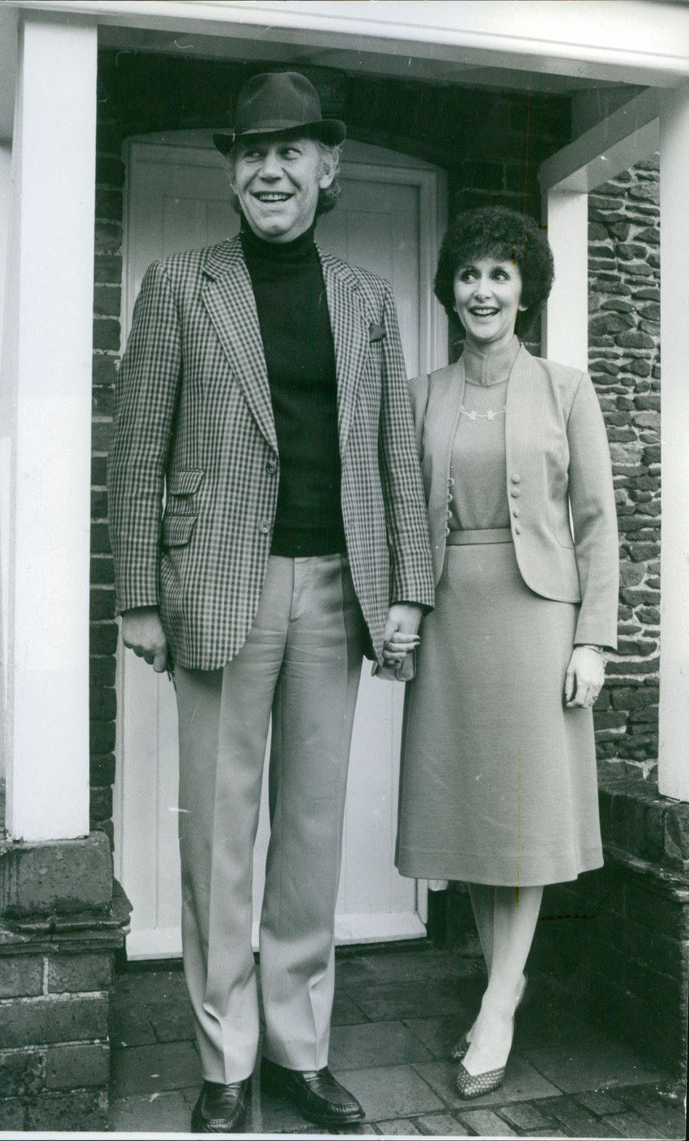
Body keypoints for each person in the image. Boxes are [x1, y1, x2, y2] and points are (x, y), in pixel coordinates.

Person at [108, 71, 433, 1133]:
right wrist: (138, 598)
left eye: (291, 151)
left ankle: (299, 1048)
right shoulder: (178, 286)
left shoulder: (362, 300)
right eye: (252, 152)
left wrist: (406, 594)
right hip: (216, 591)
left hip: (338, 591)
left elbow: (394, 451)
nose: (269, 169)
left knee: (308, 830)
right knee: (219, 836)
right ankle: (224, 1059)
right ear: (233, 169)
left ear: (327, 168)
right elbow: (134, 452)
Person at [389, 206, 619, 1099]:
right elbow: (406, 520)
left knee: (522, 821)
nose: (484, 290)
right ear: (450, 289)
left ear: (527, 290)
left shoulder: (566, 389)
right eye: (470, 274)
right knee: (476, 826)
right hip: (451, 622)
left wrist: (593, 637)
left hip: (537, 623)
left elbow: (599, 523)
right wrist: (402, 615)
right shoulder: (421, 394)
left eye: (501, 274)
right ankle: (503, 983)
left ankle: (498, 1003)